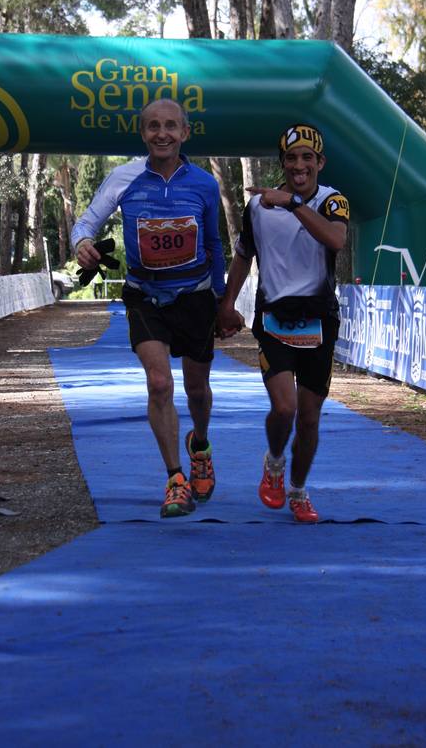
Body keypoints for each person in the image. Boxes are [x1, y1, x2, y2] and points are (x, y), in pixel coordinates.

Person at [71, 99, 226, 518]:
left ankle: (201, 445)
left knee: (196, 390)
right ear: (143, 134)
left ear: (185, 133)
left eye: (171, 126)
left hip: (194, 295)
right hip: (145, 296)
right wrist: (82, 244)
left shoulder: (205, 184)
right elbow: (84, 224)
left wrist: (223, 300)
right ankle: (176, 479)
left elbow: (214, 245)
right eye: (154, 127)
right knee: (159, 383)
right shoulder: (124, 178)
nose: (163, 134)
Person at [218, 123, 349, 523]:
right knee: (285, 408)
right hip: (274, 318)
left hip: (319, 321)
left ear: (320, 162)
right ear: (282, 162)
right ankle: (274, 463)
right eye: (291, 158)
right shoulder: (258, 206)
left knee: (309, 418)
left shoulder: (332, 201)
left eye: (307, 158)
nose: (299, 165)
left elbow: (335, 240)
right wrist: (226, 305)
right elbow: (243, 254)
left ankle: (298, 490)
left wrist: (292, 203)